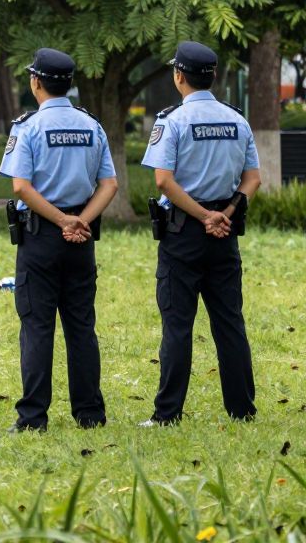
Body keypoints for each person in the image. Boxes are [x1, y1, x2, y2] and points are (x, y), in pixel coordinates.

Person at [139, 41, 262, 426]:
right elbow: (253, 178)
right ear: (212, 76)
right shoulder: (236, 120)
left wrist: (202, 215)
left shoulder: (171, 121)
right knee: (230, 323)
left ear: (179, 76)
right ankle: (242, 409)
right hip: (224, 234)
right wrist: (223, 212)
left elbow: (163, 181)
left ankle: (167, 414)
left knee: (177, 325)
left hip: (183, 234)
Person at [0, 48, 118, 433]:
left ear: (36, 82)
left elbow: (21, 187)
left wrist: (61, 220)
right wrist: (80, 219)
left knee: (37, 327)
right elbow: (109, 184)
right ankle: (90, 414)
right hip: (82, 239)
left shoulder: (27, 127)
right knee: (82, 326)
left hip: (41, 238)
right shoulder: (92, 126)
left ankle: (33, 419)